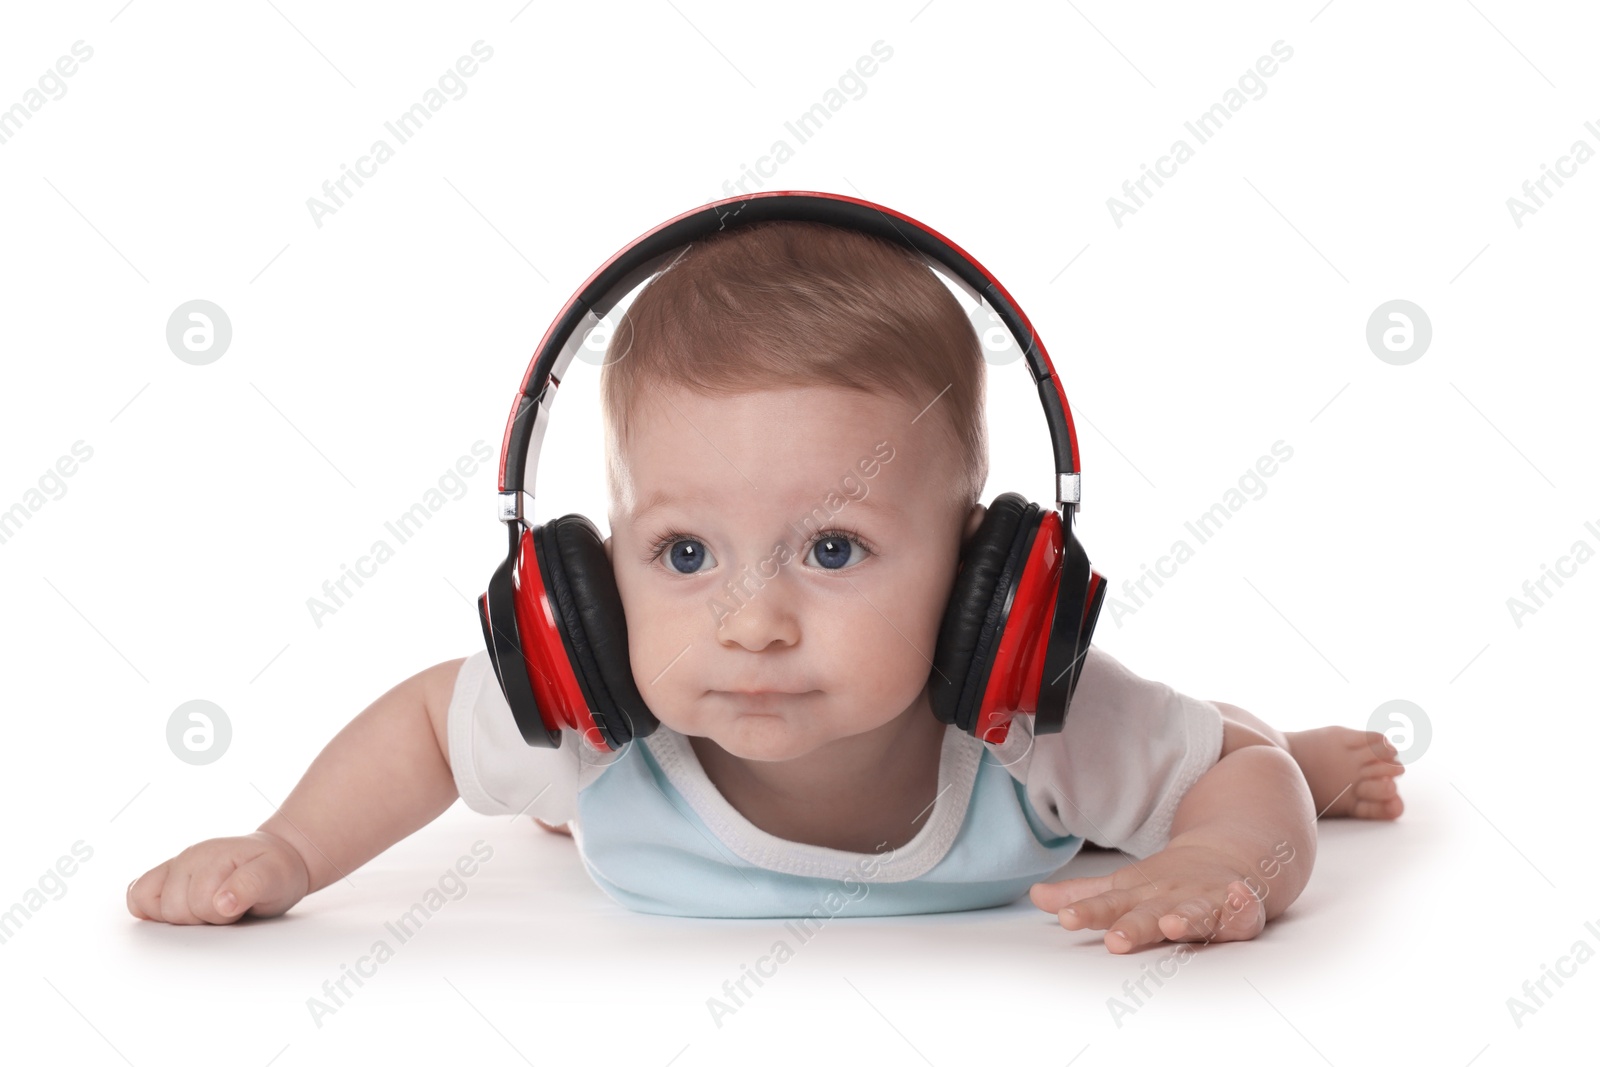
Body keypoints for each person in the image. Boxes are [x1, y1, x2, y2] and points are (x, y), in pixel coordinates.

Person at [126, 219, 1404, 952]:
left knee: (1220, 748)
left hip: (1109, 779)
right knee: (551, 787)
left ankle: (1284, 720)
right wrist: (285, 846)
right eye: (683, 555)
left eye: (832, 549)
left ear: (984, 580)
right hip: (605, 803)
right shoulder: (590, 724)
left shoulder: (1041, 725)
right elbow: (421, 725)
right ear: (582, 574)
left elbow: (1239, 793)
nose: (751, 620)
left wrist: (1231, 850)